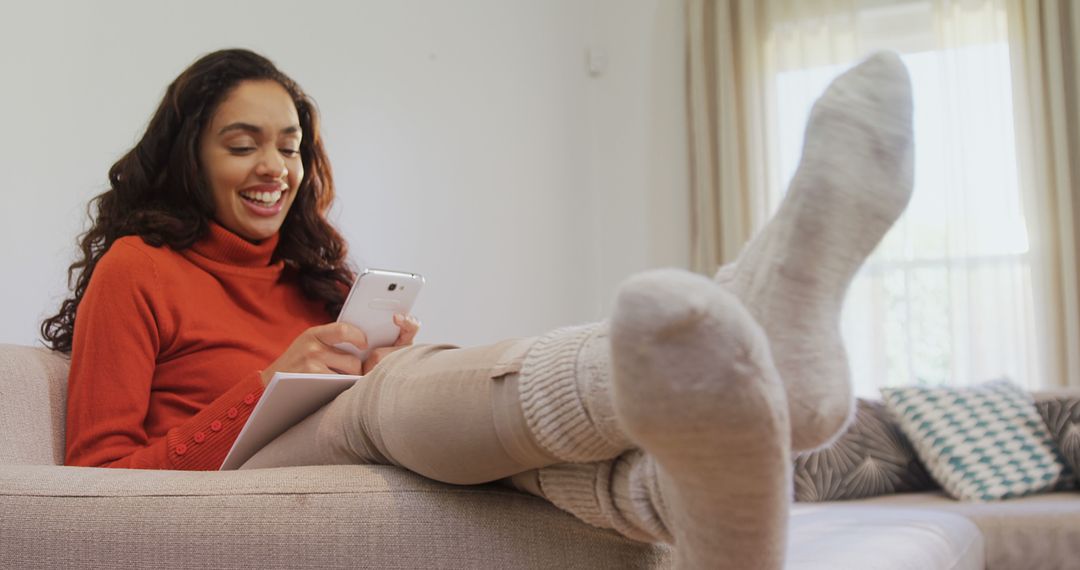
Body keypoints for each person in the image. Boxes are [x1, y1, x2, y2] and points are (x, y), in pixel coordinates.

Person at [43, 48, 914, 569]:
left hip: (364, 439)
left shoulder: (314, 272)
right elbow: (93, 485)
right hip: (251, 477)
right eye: (242, 144)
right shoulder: (140, 268)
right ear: (186, 155)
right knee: (380, 406)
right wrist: (271, 382)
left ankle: (699, 498)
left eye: (291, 145)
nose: (276, 167)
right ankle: (734, 333)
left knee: (471, 435)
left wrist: (369, 361)